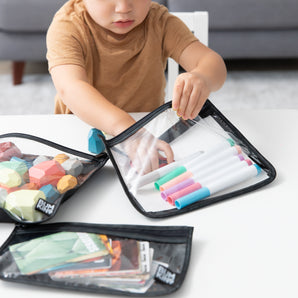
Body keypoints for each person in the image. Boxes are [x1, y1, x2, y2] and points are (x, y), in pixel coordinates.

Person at [46, 0, 227, 174]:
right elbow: (71, 87)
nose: (124, 7)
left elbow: (212, 63)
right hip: (78, 139)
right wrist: (129, 131)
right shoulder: (68, 25)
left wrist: (203, 77)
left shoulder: (160, 22)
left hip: (148, 137)